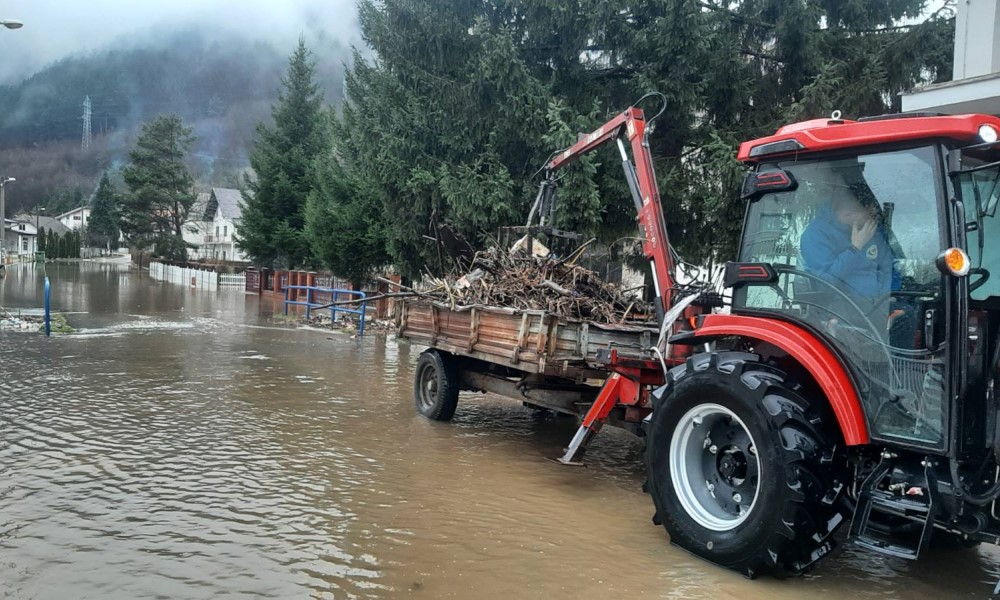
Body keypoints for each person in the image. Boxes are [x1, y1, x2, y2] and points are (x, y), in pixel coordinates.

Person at [800, 185, 898, 314]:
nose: (873, 216)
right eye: (869, 212)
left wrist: (887, 297)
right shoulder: (816, 235)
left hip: (878, 304)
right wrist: (855, 248)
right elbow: (825, 283)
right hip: (840, 310)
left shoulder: (871, 230)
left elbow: (889, 268)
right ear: (849, 213)